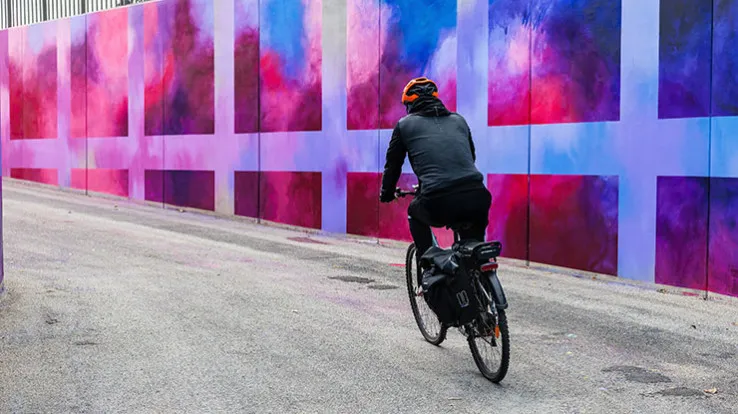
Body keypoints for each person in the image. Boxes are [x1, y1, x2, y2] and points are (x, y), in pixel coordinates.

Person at [379, 77, 492, 260]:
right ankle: (480, 277)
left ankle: (429, 265)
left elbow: (393, 166)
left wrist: (387, 193)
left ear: (410, 105)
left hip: (438, 200)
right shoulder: (458, 120)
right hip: (478, 196)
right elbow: (470, 157)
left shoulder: (404, 125)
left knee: (414, 212)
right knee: (475, 255)